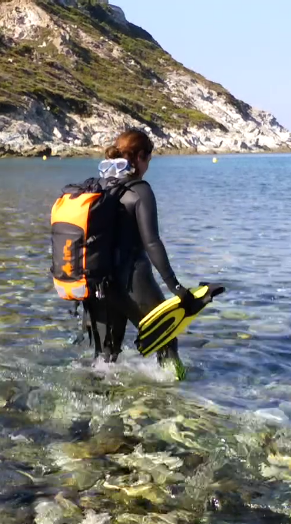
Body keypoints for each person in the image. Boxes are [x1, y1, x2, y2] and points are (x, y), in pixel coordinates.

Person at [82, 129, 204, 378]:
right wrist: (176, 288)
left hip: (99, 284)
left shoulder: (100, 186)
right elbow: (152, 243)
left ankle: (91, 410)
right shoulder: (140, 190)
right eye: (148, 158)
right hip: (132, 280)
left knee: (105, 358)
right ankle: (176, 403)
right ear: (138, 157)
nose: (148, 164)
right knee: (166, 340)